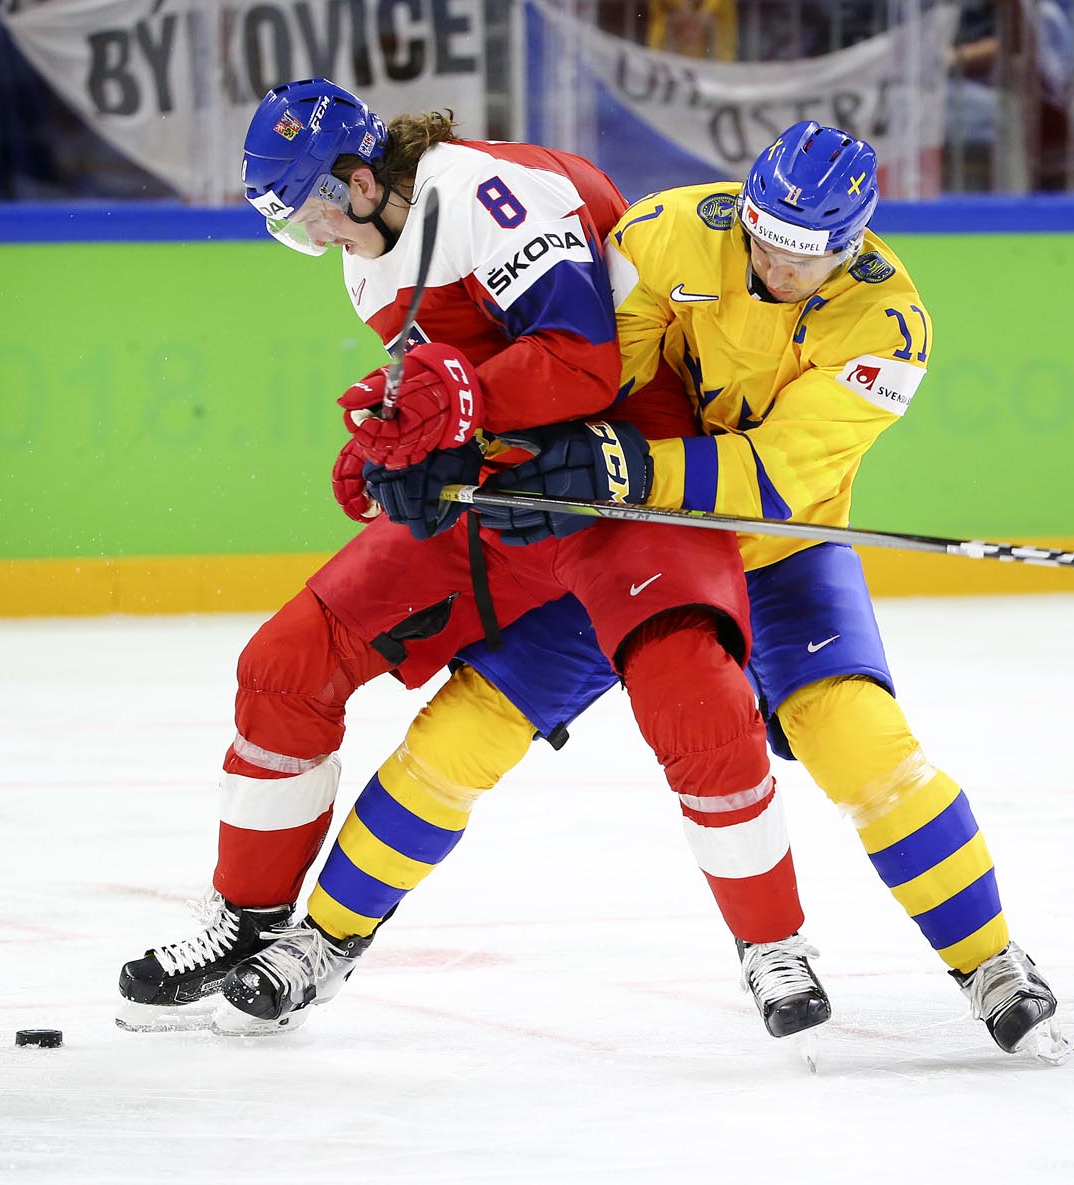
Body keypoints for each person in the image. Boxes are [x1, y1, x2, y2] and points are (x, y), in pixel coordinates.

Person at [232, 120, 1073, 1063]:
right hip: (629, 533)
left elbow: (779, 474)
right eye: (764, 237)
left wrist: (622, 470)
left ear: (854, 243)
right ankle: (325, 938)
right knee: (460, 733)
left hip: (778, 551)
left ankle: (990, 961)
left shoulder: (890, 328)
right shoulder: (668, 229)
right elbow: (595, 374)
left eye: (805, 255)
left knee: (862, 745)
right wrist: (465, 446)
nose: (775, 265)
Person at [115, 78, 826, 1043]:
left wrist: (450, 412)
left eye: (319, 210)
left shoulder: (490, 192)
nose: (318, 236)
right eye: (299, 224)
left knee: (694, 695)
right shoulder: (369, 259)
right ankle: (248, 916)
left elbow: (583, 363)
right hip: (513, 486)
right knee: (285, 662)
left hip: (617, 468)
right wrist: (392, 435)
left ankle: (772, 943)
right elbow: (448, 392)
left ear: (364, 179)